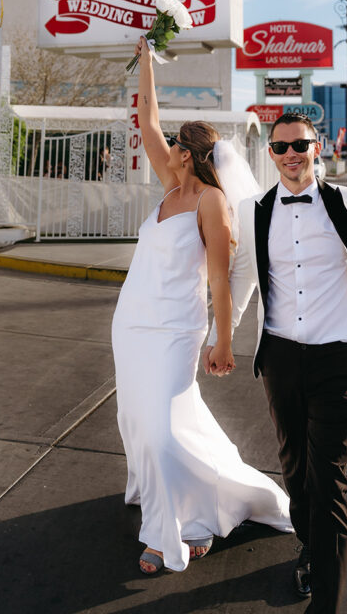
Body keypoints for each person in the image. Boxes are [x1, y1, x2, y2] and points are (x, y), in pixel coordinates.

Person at [205, 114, 347, 613]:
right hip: (281, 357)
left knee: (329, 477)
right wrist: (219, 338)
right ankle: (309, 543)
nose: (291, 154)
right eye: (282, 146)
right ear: (271, 153)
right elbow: (243, 278)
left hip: (338, 359)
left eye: (300, 144)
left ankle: (326, 603)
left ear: (316, 146)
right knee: (294, 465)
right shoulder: (254, 210)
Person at [111, 38, 292, 576]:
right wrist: (146, 62)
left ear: (188, 155)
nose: (164, 151)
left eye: (175, 148)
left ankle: (178, 529)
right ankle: (187, 495)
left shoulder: (211, 203)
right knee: (141, 422)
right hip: (132, 322)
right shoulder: (169, 189)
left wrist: (222, 339)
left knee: (164, 429)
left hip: (174, 327)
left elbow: (219, 276)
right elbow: (147, 123)